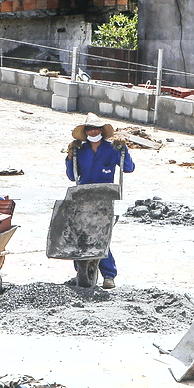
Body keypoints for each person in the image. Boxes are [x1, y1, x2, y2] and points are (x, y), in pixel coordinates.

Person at [64, 120, 135, 288]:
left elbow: (129, 168)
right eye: (90, 129)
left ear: (102, 131)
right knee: (80, 237)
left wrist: (123, 149)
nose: (93, 132)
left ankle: (109, 275)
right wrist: (69, 157)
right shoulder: (80, 151)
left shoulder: (112, 149)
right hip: (82, 199)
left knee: (101, 237)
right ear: (86, 132)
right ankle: (80, 271)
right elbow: (72, 176)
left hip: (104, 199)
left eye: (96, 129)